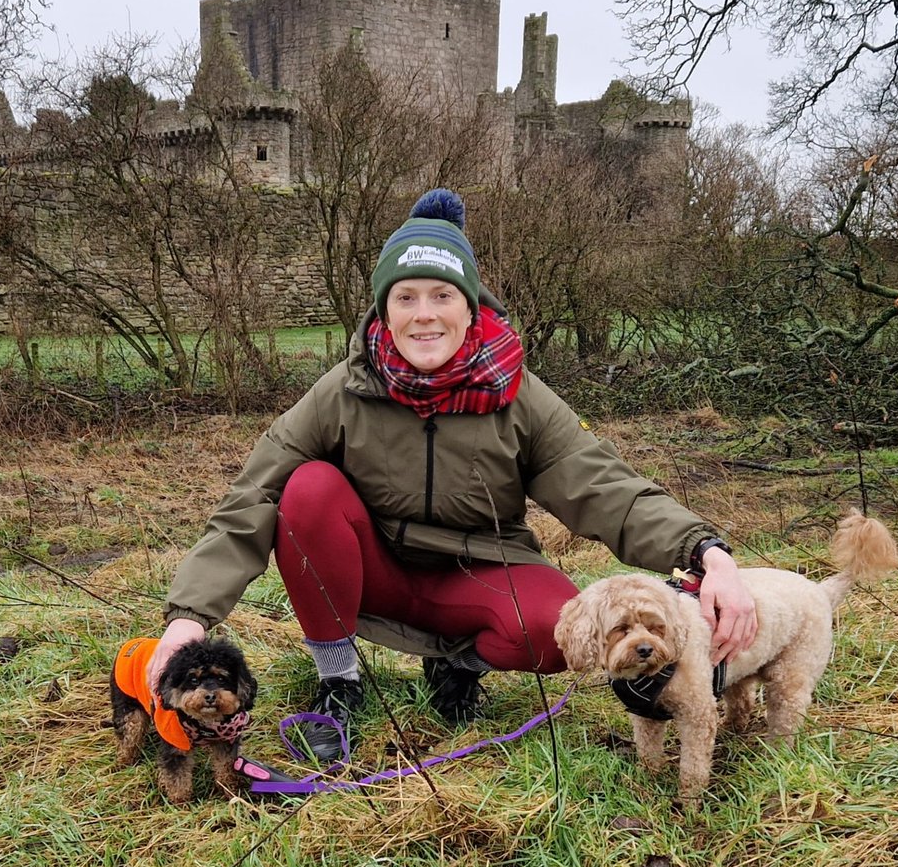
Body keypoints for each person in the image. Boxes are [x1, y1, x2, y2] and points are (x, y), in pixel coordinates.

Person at [148, 189, 757, 761]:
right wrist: (189, 617)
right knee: (306, 489)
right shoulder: (342, 393)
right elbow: (255, 494)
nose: (424, 316)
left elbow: (602, 485)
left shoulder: (519, 396)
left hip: (480, 572)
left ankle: (460, 664)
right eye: (405, 297)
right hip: (378, 570)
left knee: (560, 631)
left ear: (471, 306)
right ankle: (339, 682)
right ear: (383, 312)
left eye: (442, 295)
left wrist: (705, 551)